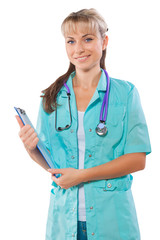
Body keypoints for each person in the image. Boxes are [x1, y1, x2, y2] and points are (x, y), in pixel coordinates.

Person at [16, 8, 151, 240]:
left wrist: (81, 175)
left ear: (104, 41)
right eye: (71, 41)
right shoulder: (51, 96)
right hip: (63, 219)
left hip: (113, 219)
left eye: (88, 39)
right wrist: (31, 150)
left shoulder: (125, 93)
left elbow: (137, 159)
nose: (78, 48)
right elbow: (51, 164)